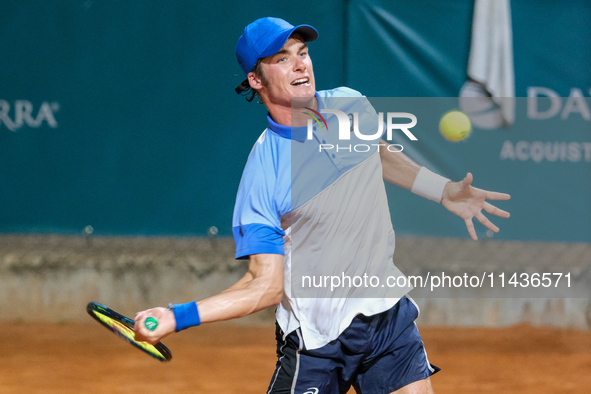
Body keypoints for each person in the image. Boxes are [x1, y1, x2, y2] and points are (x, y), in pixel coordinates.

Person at [134, 17, 511, 394]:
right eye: (282, 59)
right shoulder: (265, 171)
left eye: (303, 53)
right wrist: (176, 316)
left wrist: (441, 190)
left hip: (385, 316)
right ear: (255, 80)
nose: (301, 64)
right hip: (317, 339)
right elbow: (263, 285)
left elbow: (376, 153)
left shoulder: (351, 104)